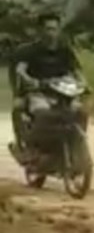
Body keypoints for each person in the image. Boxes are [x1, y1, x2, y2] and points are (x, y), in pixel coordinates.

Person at [10, 13, 83, 148]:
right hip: (38, 92)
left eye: (54, 29)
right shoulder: (29, 51)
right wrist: (29, 80)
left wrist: (83, 83)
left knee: (80, 111)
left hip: (63, 93)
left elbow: (76, 71)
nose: (51, 33)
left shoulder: (65, 50)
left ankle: (77, 142)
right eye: (48, 29)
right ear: (40, 30)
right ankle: (31, 145)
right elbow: (20, 70)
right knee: (41, 112)